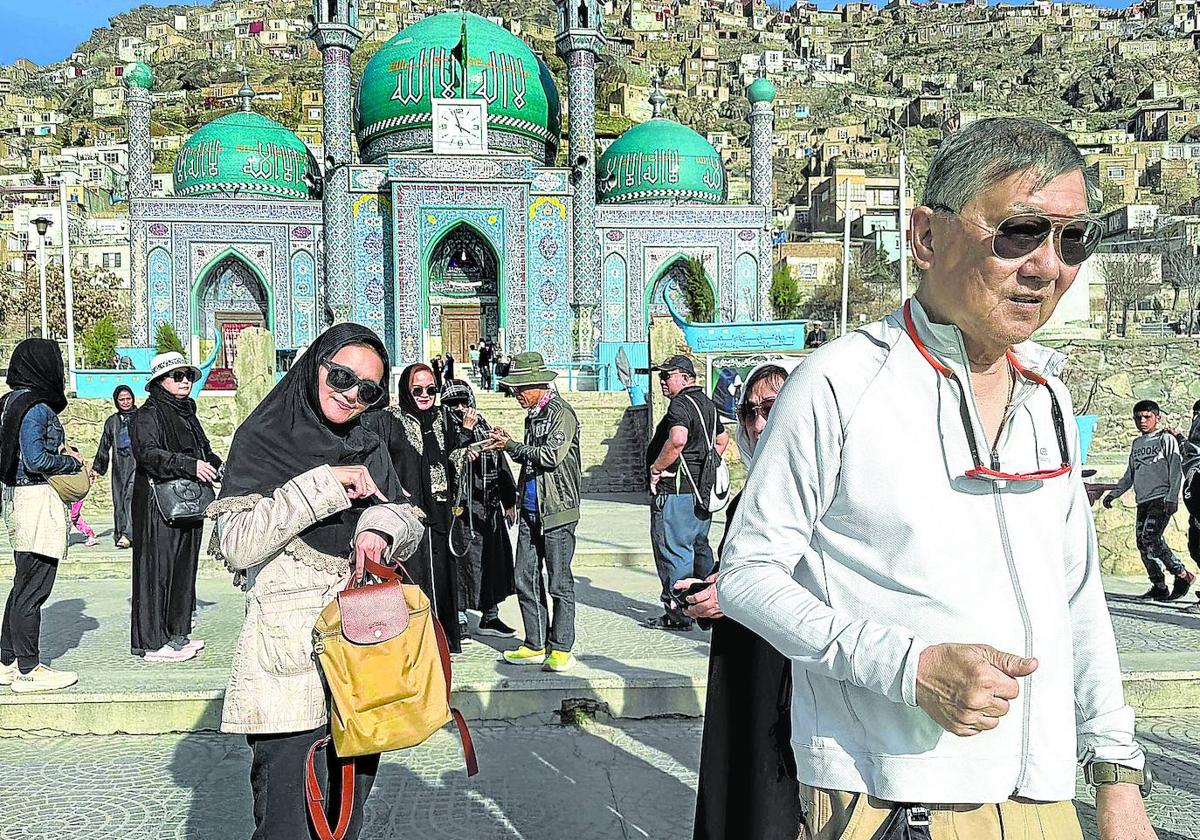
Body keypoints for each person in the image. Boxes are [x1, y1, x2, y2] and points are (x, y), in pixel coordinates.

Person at [719, 117, 1155, 840]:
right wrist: (907, 667)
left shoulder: (1047, 394)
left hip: (1043, 801)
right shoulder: (839, 384)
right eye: (1019, 231)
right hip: (893, 798)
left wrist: (1115, 774)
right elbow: (748, 575)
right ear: (926, 237)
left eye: (1073, 239)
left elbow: (1078, 598)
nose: (1048, 266)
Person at [211, 323, 424, 840]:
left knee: (344, 819)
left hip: (362, 662)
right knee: (286, 823)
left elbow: (410, 519)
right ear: (315, 365)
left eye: (368, 389)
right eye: (342, 376)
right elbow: (236, 542)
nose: (351, 394)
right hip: (289, 666)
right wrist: (324, 486)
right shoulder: (262, 440)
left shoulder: (368, 441)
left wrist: (378, 529)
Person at [676, 361, 804, 840]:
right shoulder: (754, 488)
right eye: (748, 411)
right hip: (743, 664)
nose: (755, 423)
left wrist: (731, 597)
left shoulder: (821, 488)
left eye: (770, 409)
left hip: (785, 670)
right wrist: (711, 587)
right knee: (735, 780)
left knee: (769, 799)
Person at [489, 352, 581, 672]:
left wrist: (511, 445)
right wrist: (515, 497)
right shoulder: (535, 416)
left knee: (559, 583)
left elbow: (549, 456)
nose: (515, 395)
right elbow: (529, 463)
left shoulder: (561, 414)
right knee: (524, 577)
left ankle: (561, 647)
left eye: (519, 389)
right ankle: (535, 641)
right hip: (530, 510)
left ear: (537, 385)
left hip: (556, 511)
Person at [0, 339, 82, 693]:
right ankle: (29, 670)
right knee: (34, 588)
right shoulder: (37, 407)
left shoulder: (8, 403)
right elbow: (35, 459)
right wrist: (72, 462)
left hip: (17, 497)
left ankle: (5, 661)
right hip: (36, 497)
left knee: (22, 585)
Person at [130, 352, 222, 663]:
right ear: (160, 382)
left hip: (189, 503)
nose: (184, 381)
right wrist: (187, 464)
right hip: (158, 505)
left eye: (188, 376)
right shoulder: (148, 415)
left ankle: (175, 634)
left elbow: (204, 450)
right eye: (177, 376)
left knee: (183, 570)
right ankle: (153, 643)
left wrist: (219, 468)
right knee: (158, 570)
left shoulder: (187, 413)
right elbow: (148, 454)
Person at [362, 363, 461, 651]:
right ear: (405, 389)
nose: (425, 395)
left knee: (441, 577)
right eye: (417, 389)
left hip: (440, 513)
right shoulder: (387, 421)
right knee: (410, 578)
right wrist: (391, 489)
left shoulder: (442, 419)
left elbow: (454, 456)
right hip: (407, 515)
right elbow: (372, 454)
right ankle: (414, 643)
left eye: (431, 389)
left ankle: (443, 641)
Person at [644, 355, 729, 631]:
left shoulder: (680, 405)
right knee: (699, 547)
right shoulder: (708, 404)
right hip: (701, 494)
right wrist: (706, 466)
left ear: (685, 377)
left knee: (674, 551)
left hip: (677, 491)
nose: (662, 382)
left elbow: (677, 439)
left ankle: (679, 614)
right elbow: (722, 439)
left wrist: (657, 468)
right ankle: (707, 608)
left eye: (667, 376)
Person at [442, 379, 518, 642]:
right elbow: (447, 464)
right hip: (461, 511)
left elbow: (500, 461)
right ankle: (459, 616)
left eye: (464, 402)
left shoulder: (483, 425)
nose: (461, 408)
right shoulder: (443, 428)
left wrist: (509, 500)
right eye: (454, 404)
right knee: (463, 564)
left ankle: (490, 614)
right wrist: (464, 435)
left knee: (492, 562)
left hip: (488, 507)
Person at [1103, 399, 1194, 601]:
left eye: (1147, 417)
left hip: (1160, 498)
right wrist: (1114, 493)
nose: (1142, 421)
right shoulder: (1137, 444)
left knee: (1151, 538)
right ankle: (1159, 585)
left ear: (1157, 418)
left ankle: (1182, 574)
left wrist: (1172, 497)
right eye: (1138, 418)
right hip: (1142, 500)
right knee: (1142, 544)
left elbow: (1176, 470)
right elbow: (1130, 474)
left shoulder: (1166, 439)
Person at [92, 384, 138, 548]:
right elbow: (104, 445)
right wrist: (98, 468)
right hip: (119, 466)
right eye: (122, 399)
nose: (126, 402)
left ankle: (128, 534)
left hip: (137, 464)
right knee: (119, 500)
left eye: (128, 398)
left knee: (131, 497)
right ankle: (121, 533)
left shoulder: (141, 417)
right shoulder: (112, 421)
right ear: (116, 402)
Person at [1175, 400, 1200, 614]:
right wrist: (1180, 437)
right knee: (1195, 547)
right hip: (1195, 504)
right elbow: (1190, 452)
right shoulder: (1192, 446)